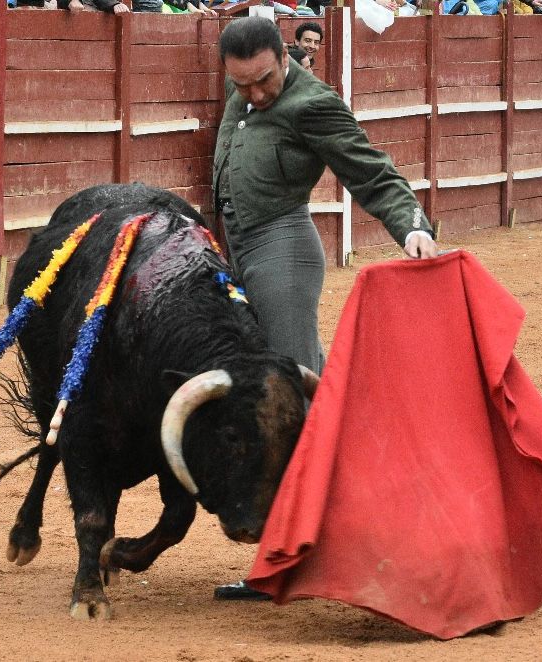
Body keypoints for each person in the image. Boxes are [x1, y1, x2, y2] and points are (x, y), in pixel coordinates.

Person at [211, 16, 438, 600]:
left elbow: (371, 171)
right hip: (237, 256)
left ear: (284, 58)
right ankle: (312, 546)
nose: (256, 95)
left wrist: (410, 226)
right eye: (243, 87)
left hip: (283, 254)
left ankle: (316, 552)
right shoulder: (243, 87)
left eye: (264, 81)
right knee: (278, 401)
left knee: (292, 408)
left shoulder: (313, 103)